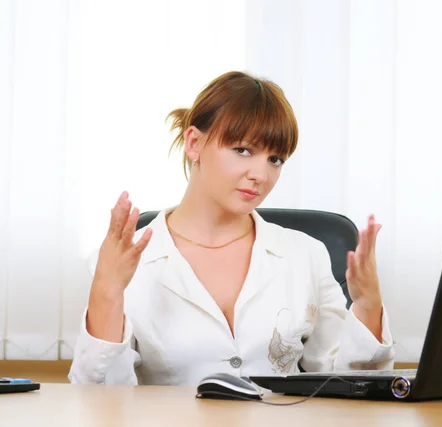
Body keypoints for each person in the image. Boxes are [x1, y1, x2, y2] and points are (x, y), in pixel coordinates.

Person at [68, 71, 395, 385]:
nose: (261, 175)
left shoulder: (306, 254)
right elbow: (100, 401)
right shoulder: (125, 260)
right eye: (243, 150)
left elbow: (347, 383)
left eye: (275, 159)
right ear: (194, 143)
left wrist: (367, 305)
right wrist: (107, 294)